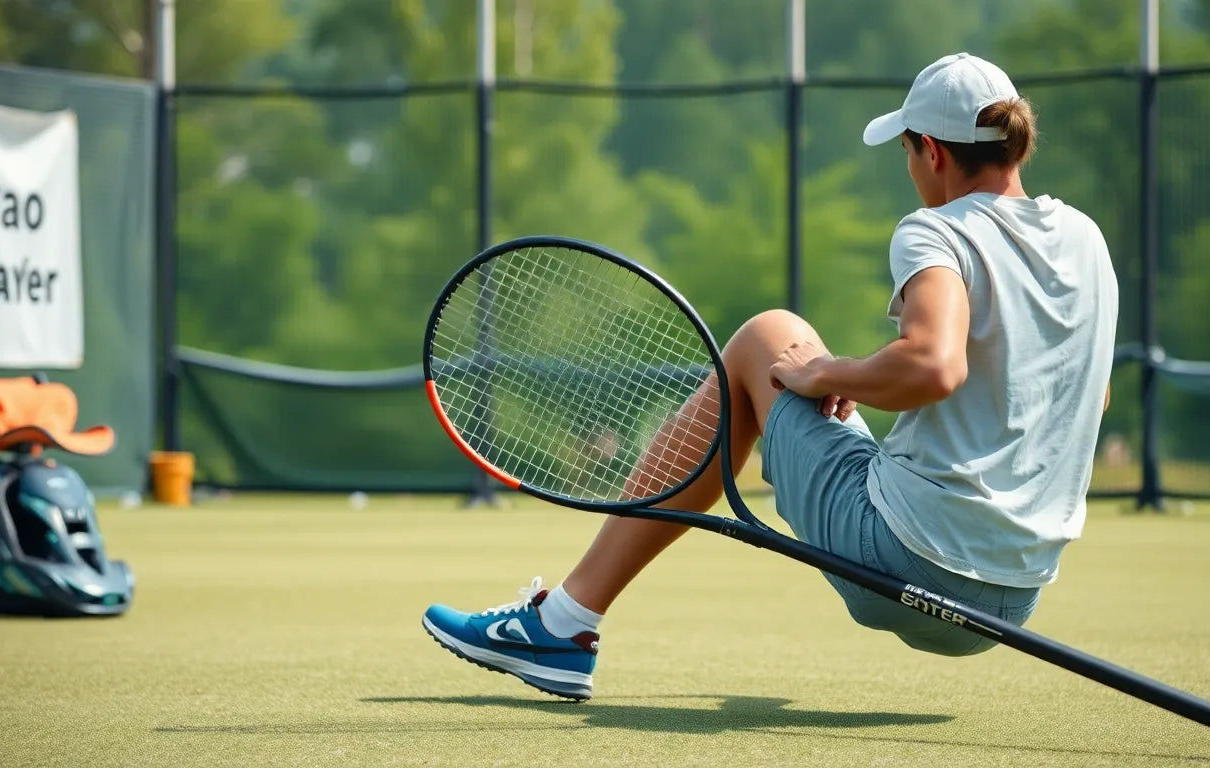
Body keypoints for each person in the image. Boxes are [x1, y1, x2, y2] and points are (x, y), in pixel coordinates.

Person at [421, 52, 1119, 701]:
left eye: (906, 153)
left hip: (907, 561)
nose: (909, 171)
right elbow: (1082, 390)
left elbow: (937, 365)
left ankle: (565, 624)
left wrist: (825, 371)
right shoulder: (1083, 239)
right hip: (1016, 596)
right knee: (800, 359)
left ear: (931, 152)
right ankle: (566, 623)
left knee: (763, 337)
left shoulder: (933, 232)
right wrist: (859, 374)